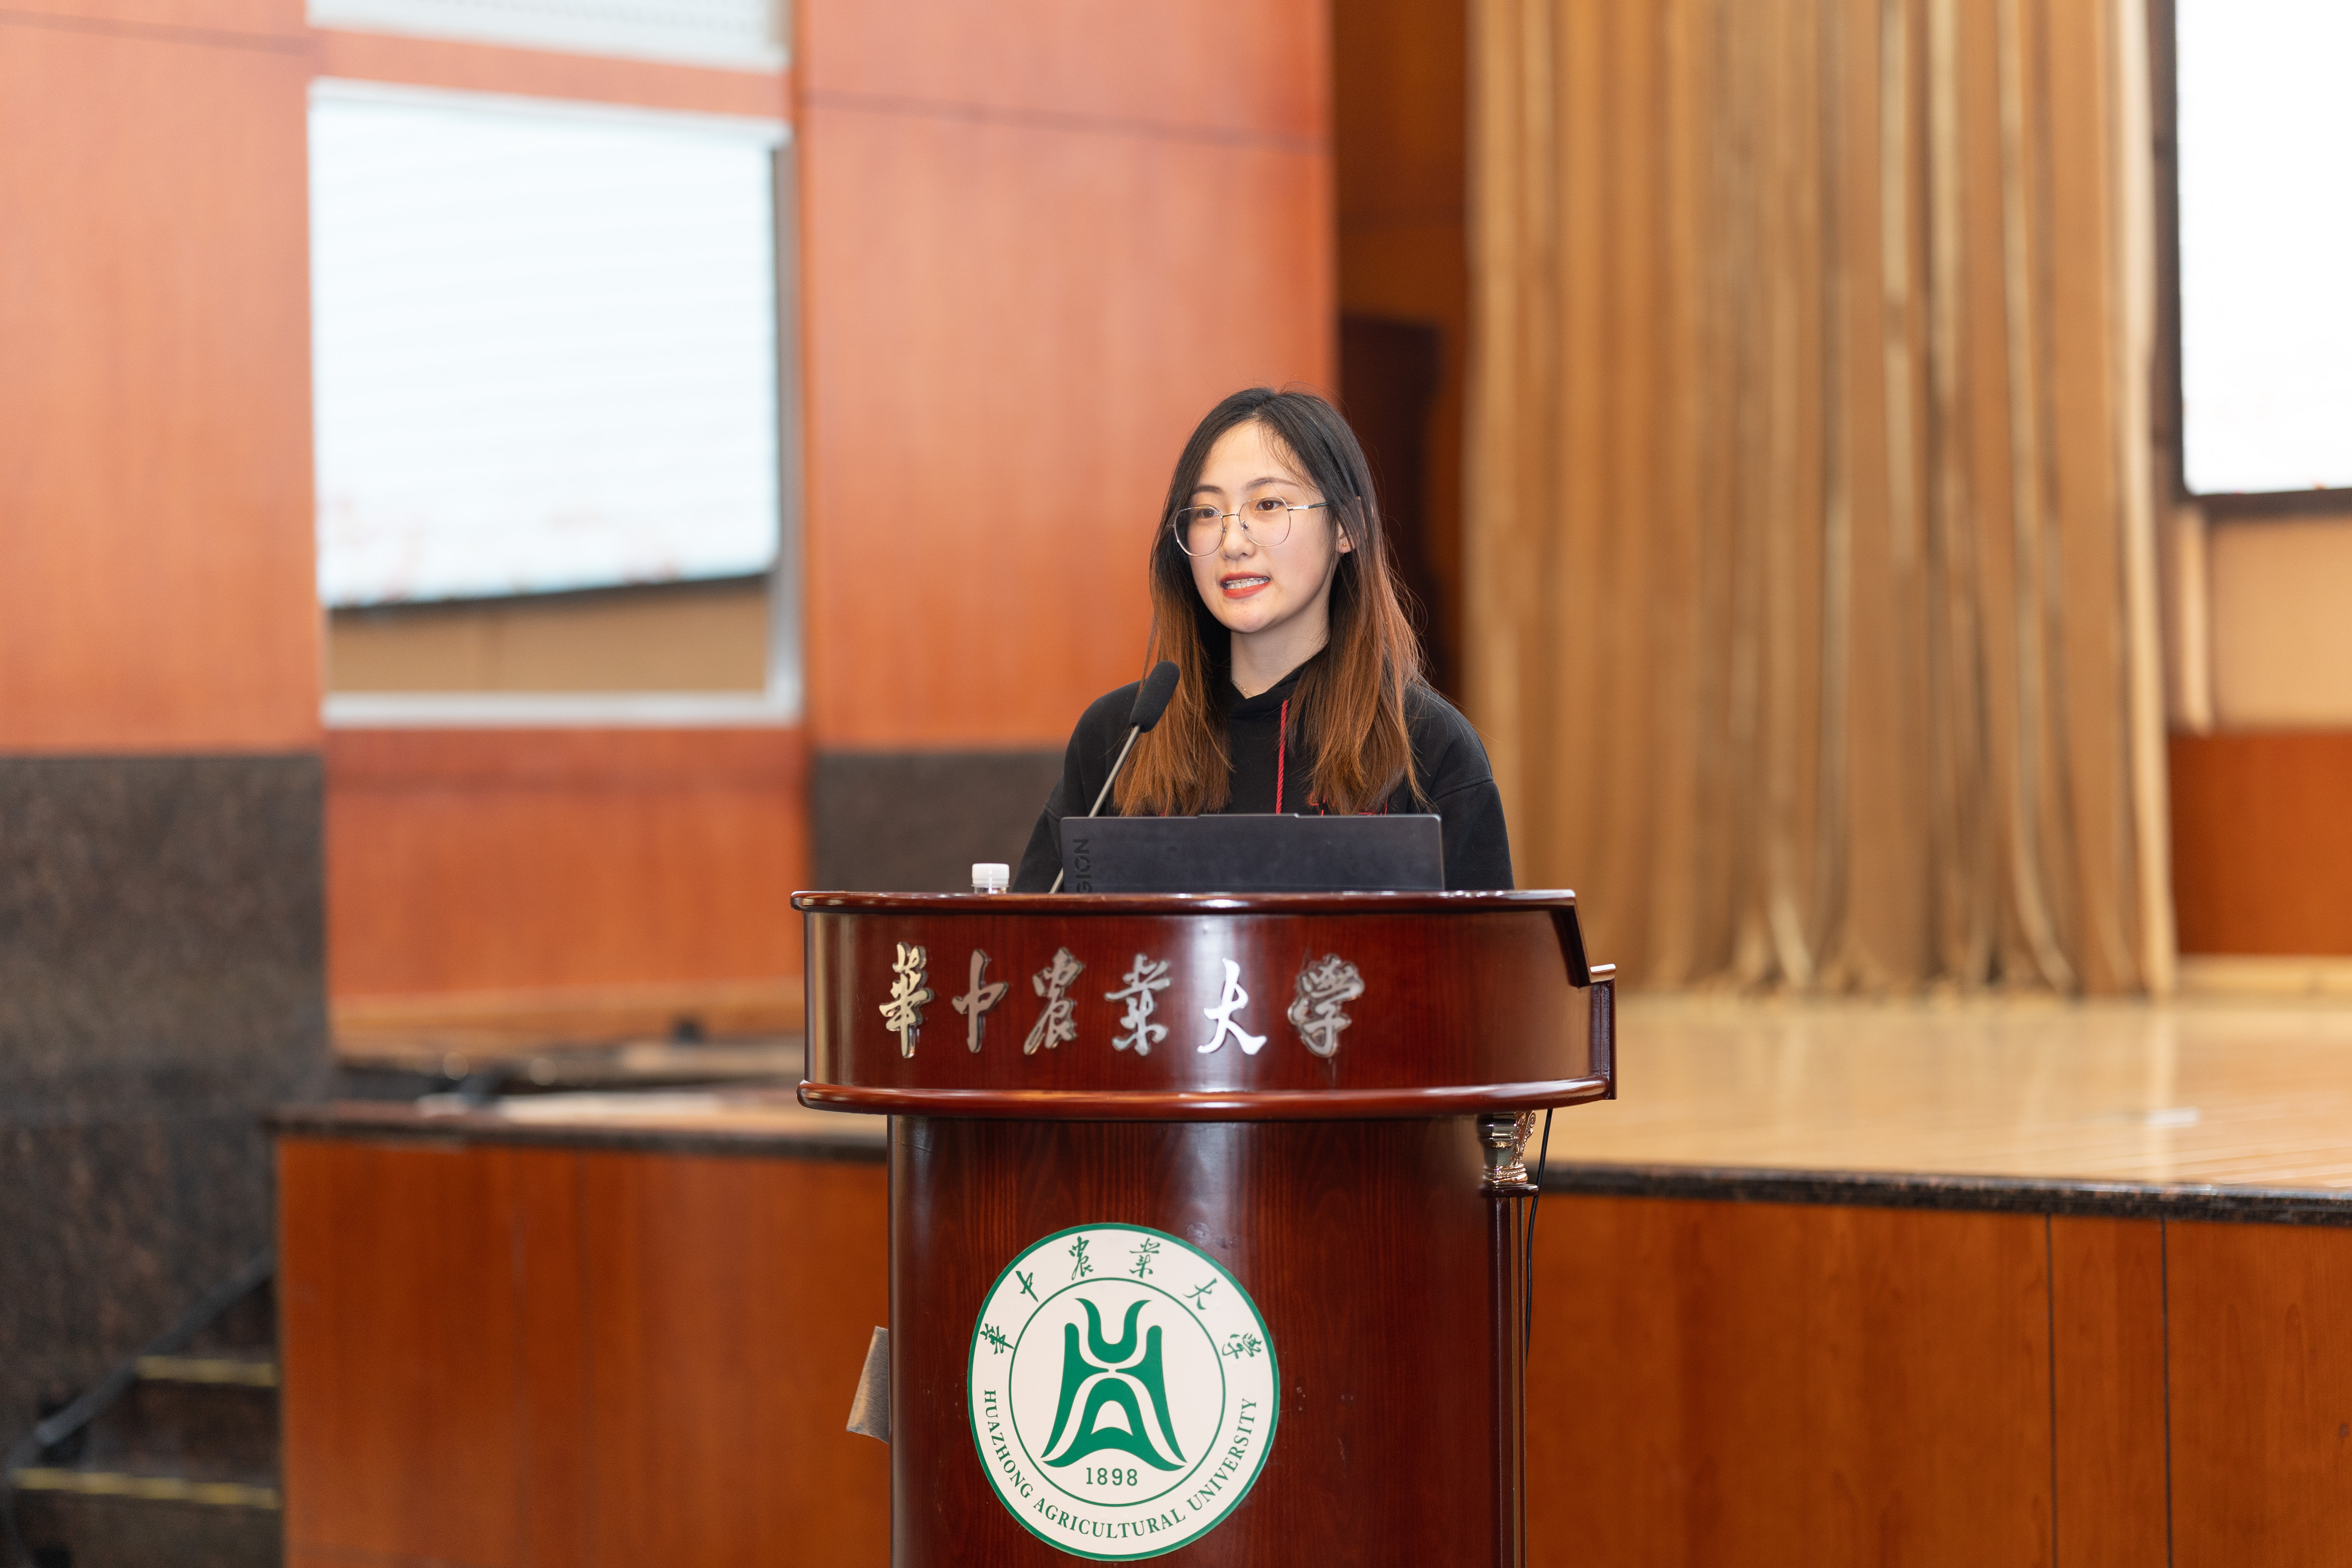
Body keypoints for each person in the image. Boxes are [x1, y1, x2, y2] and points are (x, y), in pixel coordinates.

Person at [1012, 386, 1512, 892]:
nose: (1233, 542)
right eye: (1207, 513)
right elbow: (1031, 945)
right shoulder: (1120, 738)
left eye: (1268, 504)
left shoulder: (1427, 744)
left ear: (1348, 526)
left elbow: (1484, 965)